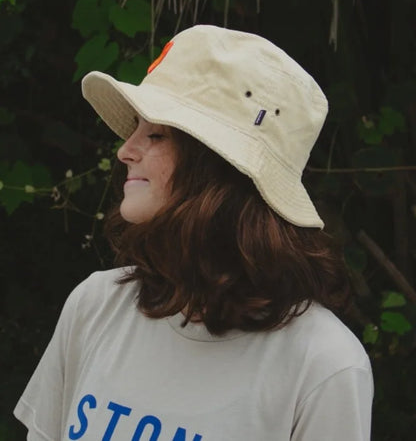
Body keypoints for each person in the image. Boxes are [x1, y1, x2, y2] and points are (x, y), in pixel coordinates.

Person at [14, 25, 373, 440]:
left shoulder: (323, 363)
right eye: (135, 128)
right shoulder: (96, 305)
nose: (124, 150)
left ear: (218, 167)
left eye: (155, 134)